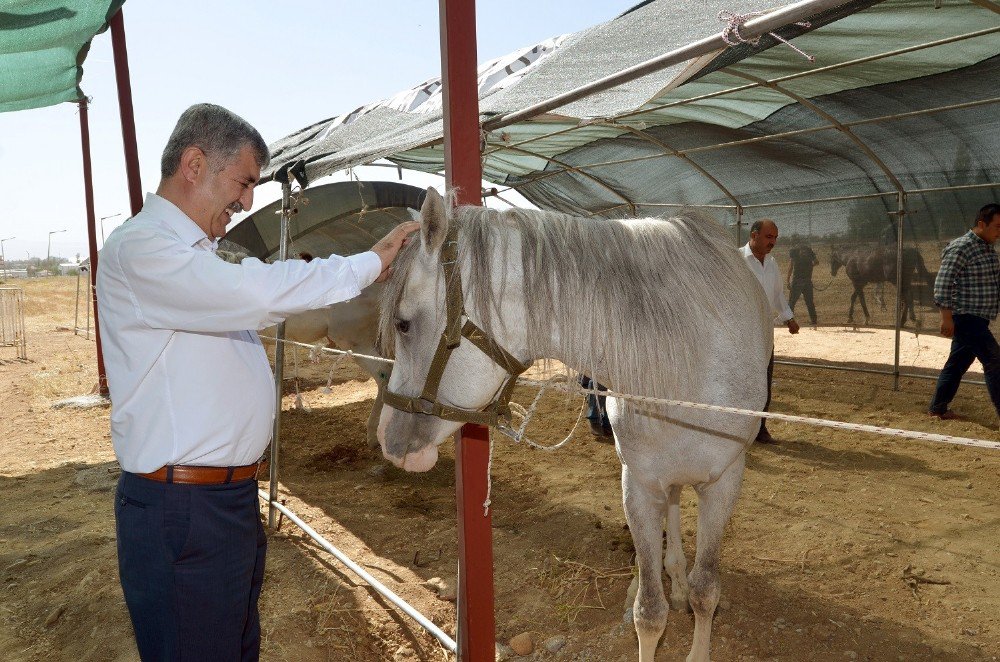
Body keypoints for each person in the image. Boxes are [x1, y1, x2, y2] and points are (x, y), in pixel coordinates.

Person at [96, 103, 419, 661]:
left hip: (222, 501)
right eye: (244, 182)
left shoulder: (196, 257)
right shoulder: (142, 249)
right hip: (183, 509)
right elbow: (258, 293)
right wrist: (369, 262)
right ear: (194, 164)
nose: (249, 201)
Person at [927, 203, 1000, 420]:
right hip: (966, 317)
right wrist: (946, 318)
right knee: (994, 360)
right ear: (981, 224)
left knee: (957, 363)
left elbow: (990, 283)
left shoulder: (987, 247)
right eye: (997, 226)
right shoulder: (961, 247)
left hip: (980, 318)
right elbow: (943, 282)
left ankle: (937, 408)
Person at [741, 219, 800, 444]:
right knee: (742, 380)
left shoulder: (772, 264)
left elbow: (777, 296)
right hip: (741, 333)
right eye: (768, 237)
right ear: (754, 235)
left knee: (764, 380)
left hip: (765, 334)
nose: (773, 242)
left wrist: (789, 318)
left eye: (775, 238)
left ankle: (760, 429)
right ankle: (738, 429)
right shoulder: (737, 260)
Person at [786, 241, 819, 327]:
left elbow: (790, 266)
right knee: (809, 302)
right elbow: (816, 262)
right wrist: (809, 266)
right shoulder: (809, 250)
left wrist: (787, 280)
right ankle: (814, 320)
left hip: (797, 281)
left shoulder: (794, 251)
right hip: (808, 281)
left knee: (792, 301)